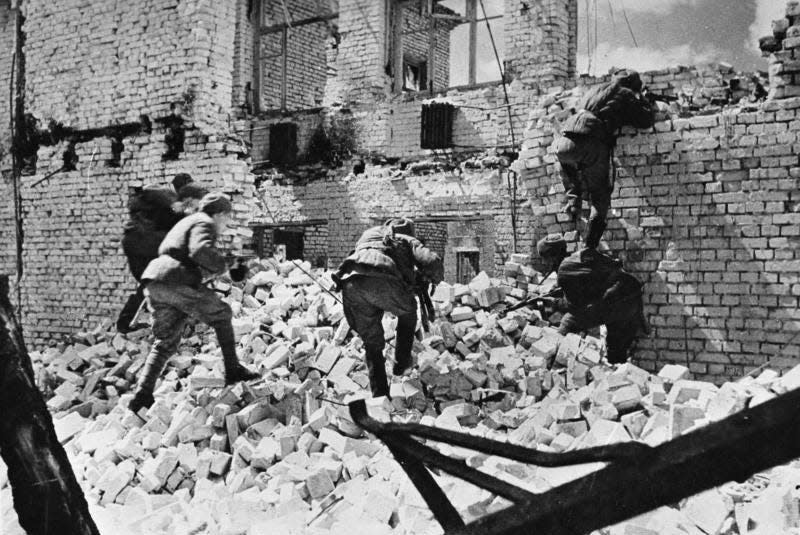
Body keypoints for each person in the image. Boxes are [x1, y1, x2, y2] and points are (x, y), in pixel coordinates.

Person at [128, 192, 259, 413]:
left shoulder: (187, 222)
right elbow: (199, 251)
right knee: (222, 314)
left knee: (166, 342)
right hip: (176, 280)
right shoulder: (204, 222)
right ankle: (233, 370)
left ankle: (142, 395)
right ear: (219, 214)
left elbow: (190, 256)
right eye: (227, 218)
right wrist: (226, 264)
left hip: (155, 282)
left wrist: (225, 264)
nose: (227, 224)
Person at [334, 218, 443, 397]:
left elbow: (356, 258)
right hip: (381, 279)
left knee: (372, 343)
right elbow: (432, 261)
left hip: (351, 283)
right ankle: (401, 364)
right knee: (408, 311)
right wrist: (432, 278)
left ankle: (380, 396)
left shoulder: (368, 235)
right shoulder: (405, 239)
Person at [554, 69, 655, 248]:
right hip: (590, 142)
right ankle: (589, 249)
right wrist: (645, 100)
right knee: (600, 197)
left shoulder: (596, 89)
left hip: (563, 143)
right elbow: (645, 120)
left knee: (573, 175)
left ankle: (573, 203)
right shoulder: (626, 93)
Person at [536, 234, 649, 365]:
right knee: (617, 354)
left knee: (568, 322)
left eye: (545, 258)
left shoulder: (565, 270)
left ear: (553, 257)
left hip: (618, 301)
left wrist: (555, 303)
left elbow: (574, 306)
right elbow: (587, 283)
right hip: (630, 295)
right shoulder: (575, 259)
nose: (544, 263)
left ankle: (552, 362)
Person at [117, 178, 208, 333]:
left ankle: (129, 322)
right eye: (197, 205)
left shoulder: (177, 210)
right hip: (140, 242)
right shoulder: (169, 201)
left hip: (144, 240)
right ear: (189, 199)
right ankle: (127, 324)